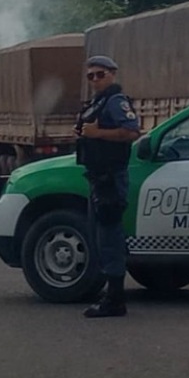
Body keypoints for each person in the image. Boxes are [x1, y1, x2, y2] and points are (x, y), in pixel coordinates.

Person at [74, 55, 140, 318]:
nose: (95, 80)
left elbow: (131, 132)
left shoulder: (116, 101)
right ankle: (110, 293)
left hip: (111, 178)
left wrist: (97, 134)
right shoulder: (98, 103)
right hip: (98, 178)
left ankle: (115, 299)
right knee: (100, 236)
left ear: (113, 74)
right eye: (90, 76)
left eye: (100, 74)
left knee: (110, 237)